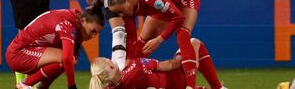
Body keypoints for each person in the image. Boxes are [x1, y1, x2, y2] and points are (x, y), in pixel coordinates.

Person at [107, 0, 201, 89]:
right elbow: (131, 37)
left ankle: (190, 86)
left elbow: (178, 17)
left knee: (182, 35)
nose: (121, 15)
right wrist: (129, 62)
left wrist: (159, 39)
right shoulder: (128, 5)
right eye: (118, 13)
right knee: (141, 44)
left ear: (127, 0)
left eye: (121, 10)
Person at [5, 0, 105, 89]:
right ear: (83, 21)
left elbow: (61, 65)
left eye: (96, 33)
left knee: (70, 58)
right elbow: (66, 59)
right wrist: (72, 86)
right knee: (67, 58)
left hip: (30, 53)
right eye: (92, 31)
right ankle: (25, 84)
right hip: (17, 54)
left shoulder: (78, 25)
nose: (93, 36)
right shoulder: (67, 23)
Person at [89, 38, 227, 89]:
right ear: (112, 66)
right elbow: (170, 65)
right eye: (107, 59)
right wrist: (189, 61)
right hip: (177, 78)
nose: (109, 58)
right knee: (194, 43)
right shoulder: (137, 66)